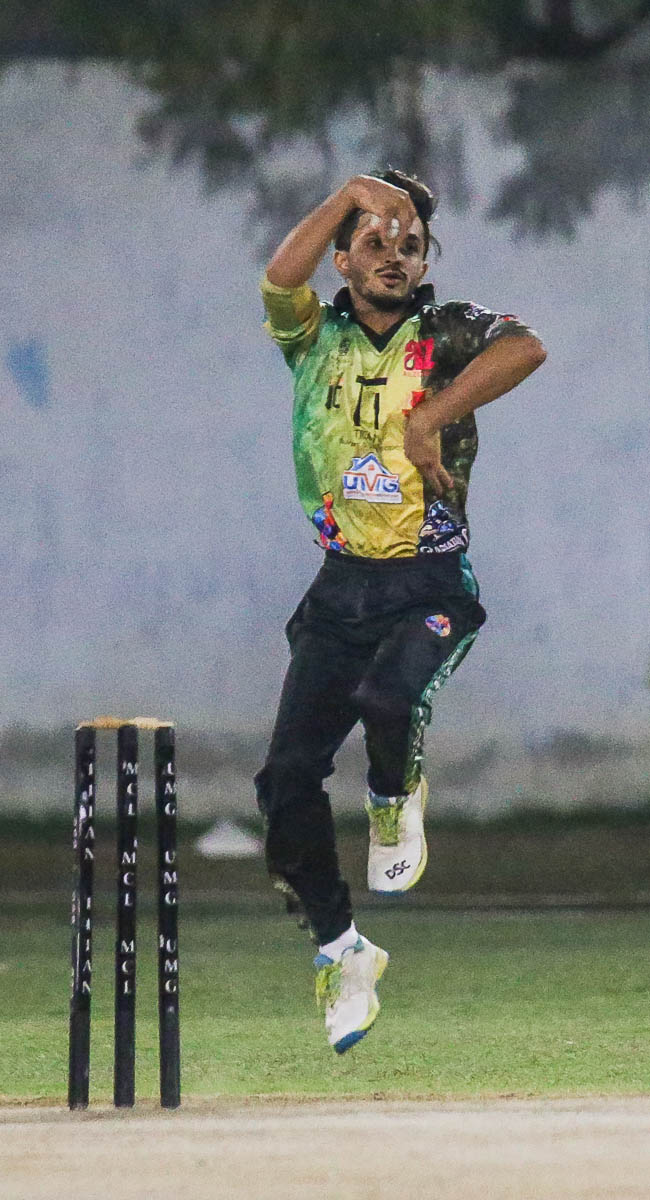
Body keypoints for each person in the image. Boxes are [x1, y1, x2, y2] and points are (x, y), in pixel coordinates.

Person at [255, 169, 546, 1054]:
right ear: (344, 258)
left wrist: (433, 419)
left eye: (410, 245)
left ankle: (392, 794)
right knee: (284, 781)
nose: (393, 255)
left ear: (425, 264)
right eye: (375, 241)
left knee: (388, 698)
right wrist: (352, 193)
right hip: (340, 587)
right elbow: (279, 277)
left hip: (430, 583)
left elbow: (526, 348)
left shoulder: (444, 330)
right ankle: (342, 949)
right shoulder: (314, 336)